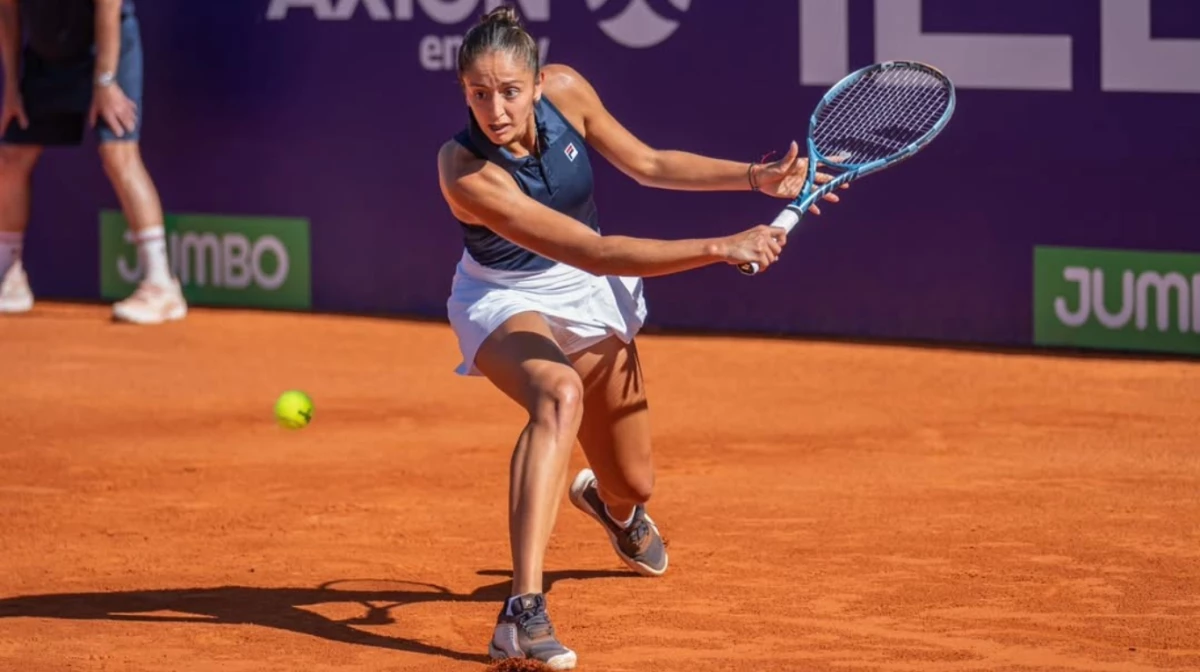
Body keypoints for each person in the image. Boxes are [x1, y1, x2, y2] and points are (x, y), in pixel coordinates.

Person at [437, 5, 843, 669]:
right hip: (504, 296)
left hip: (585, 292)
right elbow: (596, 252)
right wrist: (720, 246)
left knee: (635, 481)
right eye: (479, 94)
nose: (496, 109)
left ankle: (612, 508)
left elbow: (649, 163)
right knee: (558, 393)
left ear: (537, 83)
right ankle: (522, 614)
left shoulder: (568, 91)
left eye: (509, 91)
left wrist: (755, 177)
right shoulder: (464, 170)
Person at [0, 0, 185, 323]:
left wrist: (106, 80)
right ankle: (8, 277)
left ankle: (161, 284)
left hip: (106, 46)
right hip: (47, 57)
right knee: (12, 156)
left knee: (118, 154)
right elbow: (7, 10)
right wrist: (12, 86)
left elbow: (109, 6)